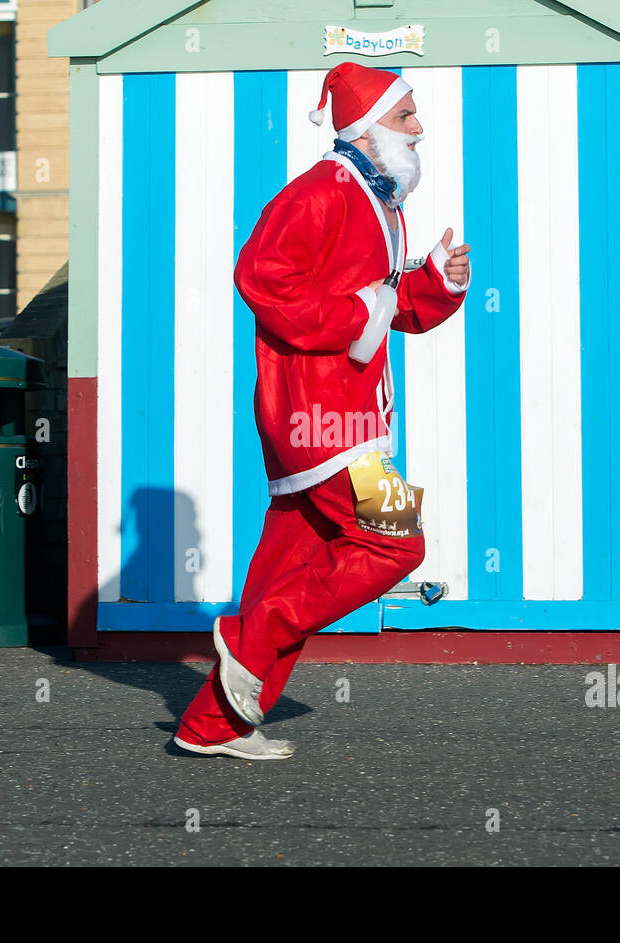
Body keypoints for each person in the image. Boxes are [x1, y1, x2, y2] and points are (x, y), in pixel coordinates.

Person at [173, 62, 471, 760]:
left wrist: (435, 282)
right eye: (406, 117)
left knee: (286, 570)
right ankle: (251, 637)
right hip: (324, 423)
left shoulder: (379, 201)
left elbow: (383, 303)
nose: (420, 128)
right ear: (365, 129)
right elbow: (261, 278)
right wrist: (360, 310)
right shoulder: (322, 192)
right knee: (400, 544)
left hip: (342, 419)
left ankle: (211, 725)